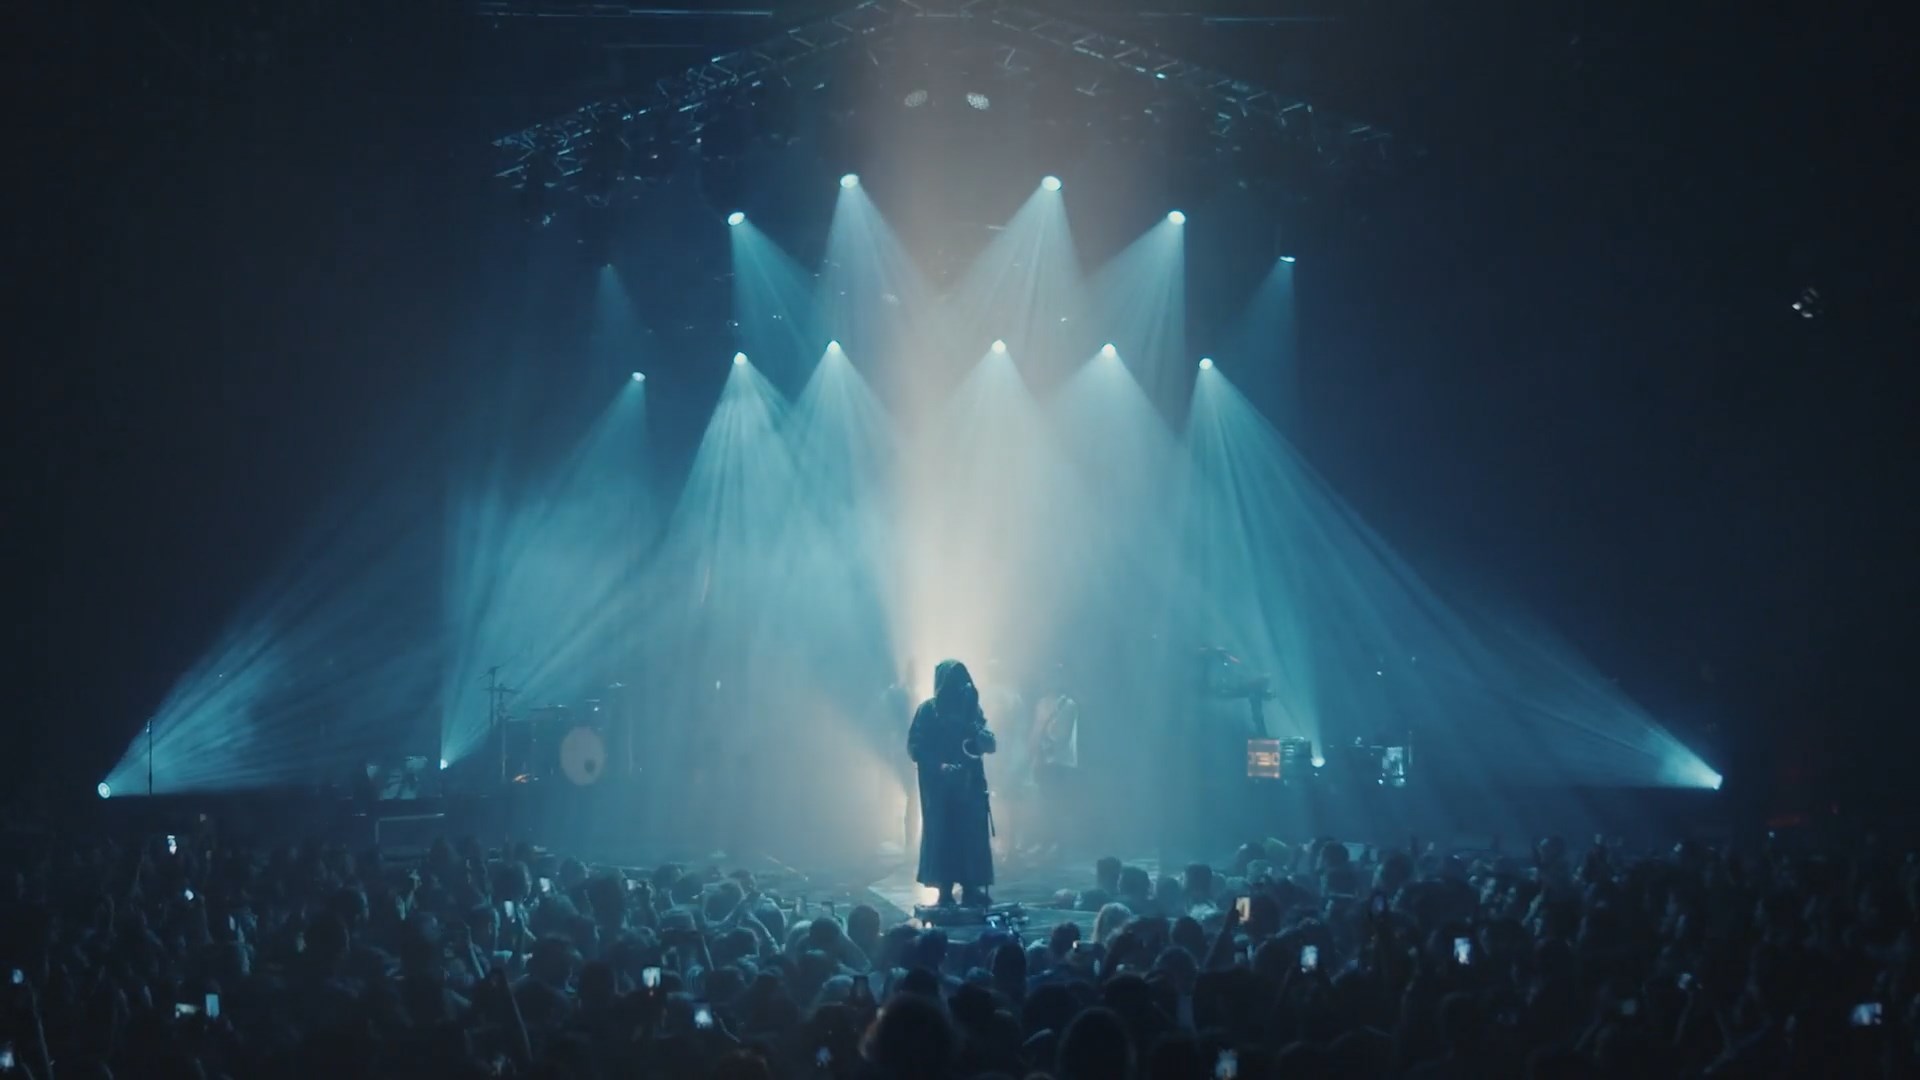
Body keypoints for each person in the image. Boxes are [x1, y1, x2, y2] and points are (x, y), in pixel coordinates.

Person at [908, 659, 997, 907]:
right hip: (940, 791)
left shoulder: (971, 710)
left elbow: (989, 743)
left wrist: (979, 735)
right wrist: (940, 767)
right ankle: (944, 890)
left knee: (971, 836)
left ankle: (971, 887)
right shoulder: (928, 711)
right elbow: (916, 747)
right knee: (944, 837)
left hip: (969, 786)